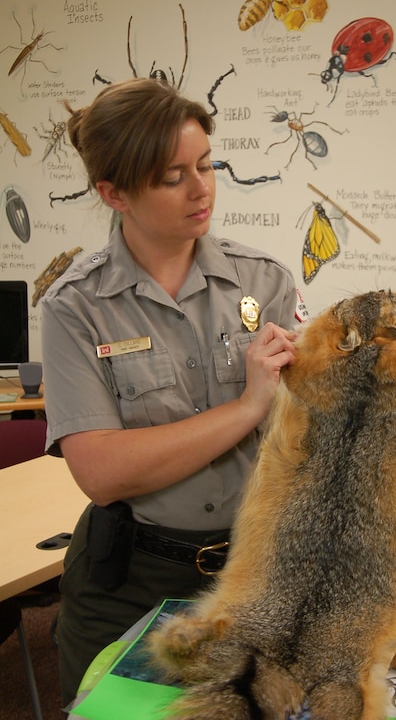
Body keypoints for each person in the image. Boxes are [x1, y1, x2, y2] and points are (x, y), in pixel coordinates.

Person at [41, 78, 299, 706]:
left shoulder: (262, 282)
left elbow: (314, 425)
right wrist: (247, 406)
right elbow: (102, 471)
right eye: (171, 176)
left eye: (207, 165)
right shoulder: (75, 308)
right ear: (114, 193)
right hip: (132, 577)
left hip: (254, 568)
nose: (201, 187)